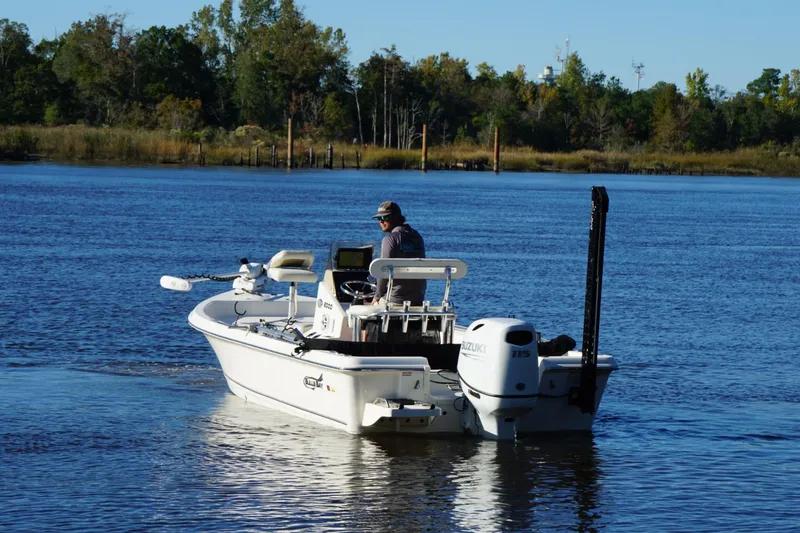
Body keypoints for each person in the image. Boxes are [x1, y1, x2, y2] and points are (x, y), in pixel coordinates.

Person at [370, 201, 426, 306]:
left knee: (359, 306)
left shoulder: (390, 239)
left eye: (385, 218)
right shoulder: (417, 237)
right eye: (379, 219)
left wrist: (376, 297)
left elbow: (383, 272)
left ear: (396, 217)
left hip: (394, 301)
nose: (381, 221)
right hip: (418, 300)